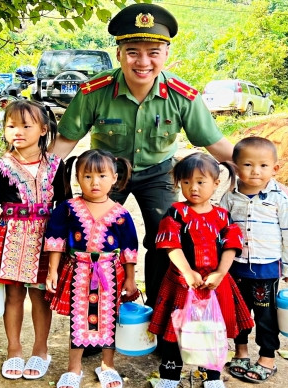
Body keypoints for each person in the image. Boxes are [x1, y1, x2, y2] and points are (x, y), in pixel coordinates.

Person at [50, 3, 234, 307]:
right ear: (119, 53)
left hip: (159, 173)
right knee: (94, 237)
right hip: (107, 175)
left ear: (166, 54)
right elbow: (66, 140)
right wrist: (36, 176)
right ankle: (99, 313)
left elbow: (215, 143)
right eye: (133, 51)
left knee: (166, 238)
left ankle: (159, 313)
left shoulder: (181, 95)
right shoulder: (94, 91)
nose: (143, 61)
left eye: (153, 52)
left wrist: (255, 167)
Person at [148, 153, 254, 388]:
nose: (192, 188)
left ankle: (211, 376)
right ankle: (170, 375)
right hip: (181, 284)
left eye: (200, 182)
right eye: (186, 182)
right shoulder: (176, 212)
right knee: (176, 330)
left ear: (216, 183)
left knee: (212, 330)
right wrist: (187, 271)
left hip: (215, 285)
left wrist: (220, 273)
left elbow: (231, 246)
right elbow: (171, 245)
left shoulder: (222, 216)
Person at [0, 100, 68, 380]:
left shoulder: (56, 165)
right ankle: (14, 350)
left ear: (43, 129)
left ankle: (40, 350)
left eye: (25, 125)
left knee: (41, 296)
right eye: (11, 125)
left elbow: (65, 206)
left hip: (46, 238)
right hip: (11, 238)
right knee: (14, 295)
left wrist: (64, 244)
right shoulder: (1, 167)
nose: (17, 131)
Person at [44, 149, 139, 388]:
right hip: (79, 270)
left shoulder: (121, 214)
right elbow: (55, 240)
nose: (94, 182)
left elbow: (129, 248)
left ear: (114, 177)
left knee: (108, 319)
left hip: (111, 273)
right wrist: (52, 271)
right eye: (87, 176)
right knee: (79, 321)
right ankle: (73, 368)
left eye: (101, 176)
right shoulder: (68, 208)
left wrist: (130, 278)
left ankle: (108, 365)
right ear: (77, 177)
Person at [219, 137, 288, 383]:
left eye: (263, 166)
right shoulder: (230, 197)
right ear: (235, 167)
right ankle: (241, 352)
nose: (255, 171)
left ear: (275, 168)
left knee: (265, 316)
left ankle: (267, 357)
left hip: (266, 269)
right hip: (235, 267)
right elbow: (221, 231)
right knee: (238, 313)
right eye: (247, 165)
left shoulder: (279, 198)